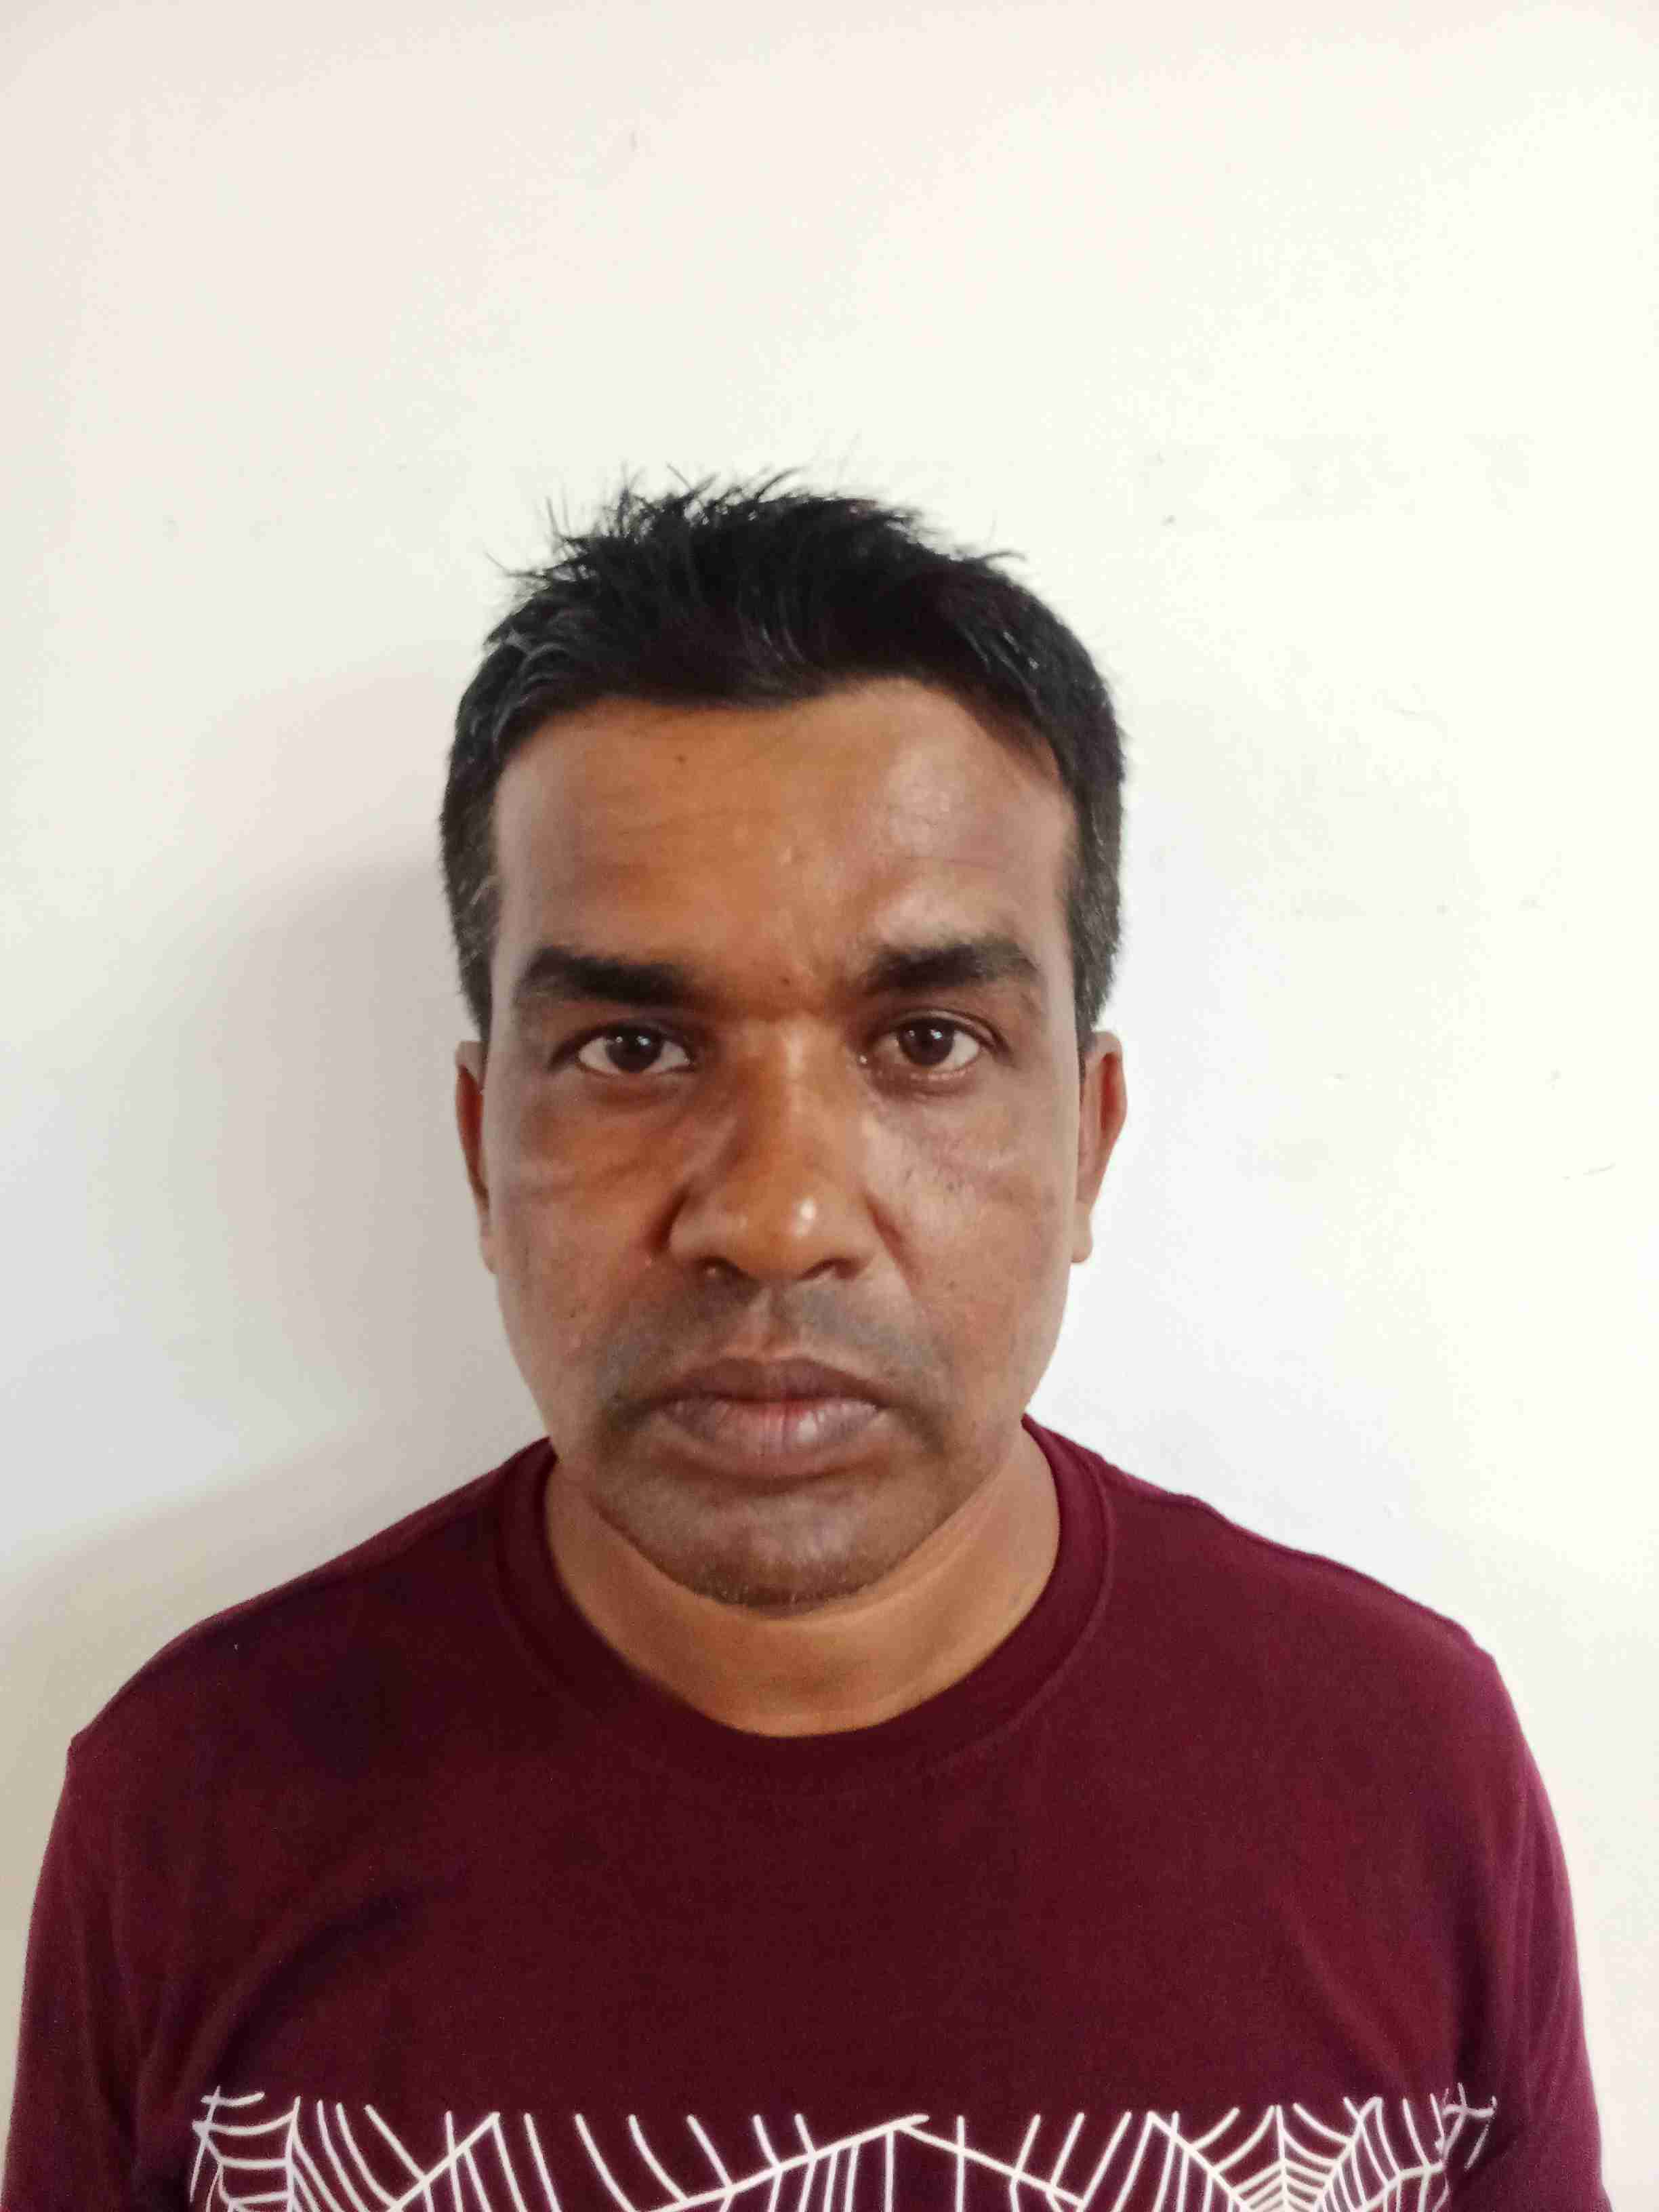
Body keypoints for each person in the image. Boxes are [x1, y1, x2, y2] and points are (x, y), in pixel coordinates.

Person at [5, 475, 1608, 2209]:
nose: (774, 1220)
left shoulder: (1402, 1772)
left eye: (926, 1041)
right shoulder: (197, 1805)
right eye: (631, 1051)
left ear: (1088, 1140)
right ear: (482, 1151)